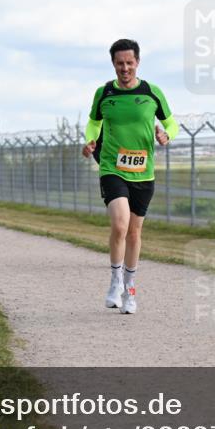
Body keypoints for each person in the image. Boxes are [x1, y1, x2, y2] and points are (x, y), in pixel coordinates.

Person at [81, 39, 178, 314]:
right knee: (120, 225)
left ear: (137, 62)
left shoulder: (151, 92)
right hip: (112, 166)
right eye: (119, 63)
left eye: (129, 63)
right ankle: (115, 281)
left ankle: (130, 288)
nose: (125, 68)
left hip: (143, 171)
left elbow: (171, 122)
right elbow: (94, 122)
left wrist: (166, 134)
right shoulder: (104, 93)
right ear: (113, 64)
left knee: (135, 233)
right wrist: (90, 140)